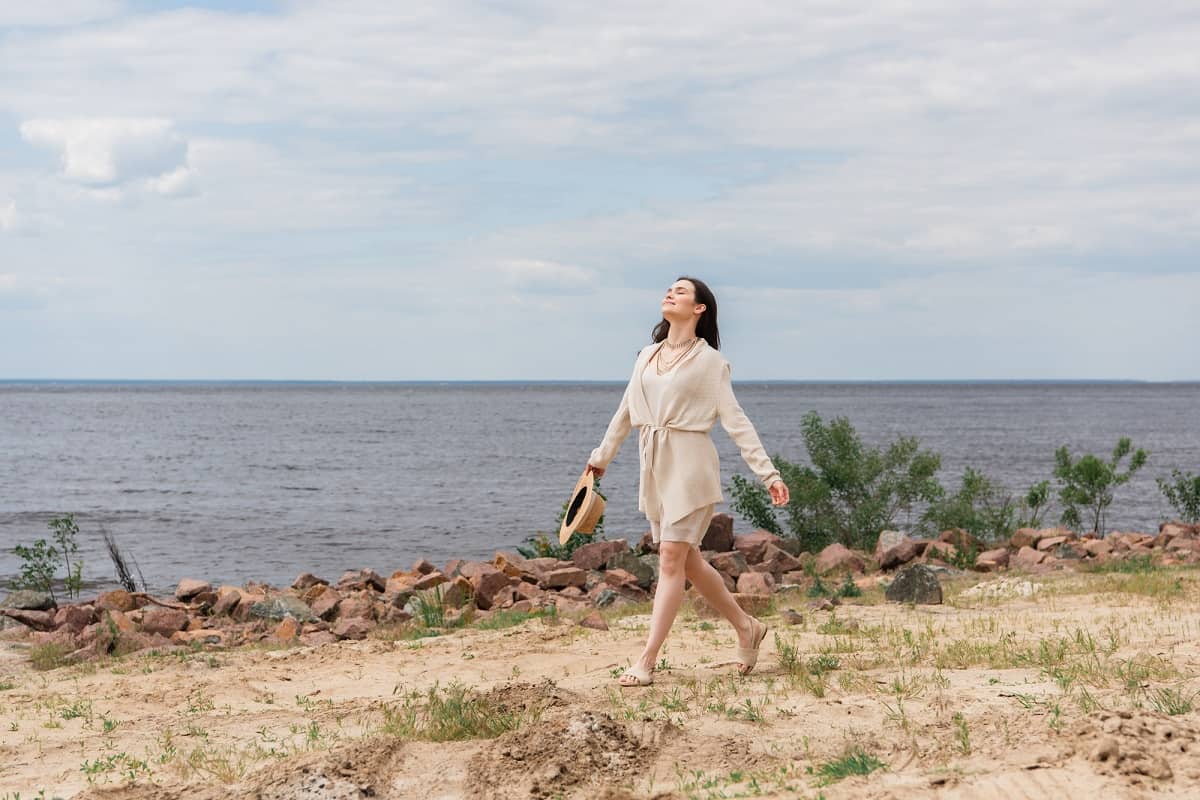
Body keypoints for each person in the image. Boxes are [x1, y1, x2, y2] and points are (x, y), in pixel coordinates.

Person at [585, 277, 790, 687]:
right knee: (687, 560)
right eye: (668, 289)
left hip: (691, 464)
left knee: (670, 559)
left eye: (681, 291)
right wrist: (599, 459)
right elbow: (625, 411)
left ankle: (646, 659)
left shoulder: (710, 362)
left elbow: (736, 421)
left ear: (700, 309)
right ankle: (747, 627)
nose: (670, 293)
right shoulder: (647, 355)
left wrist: (768, 473)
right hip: (655, 464)